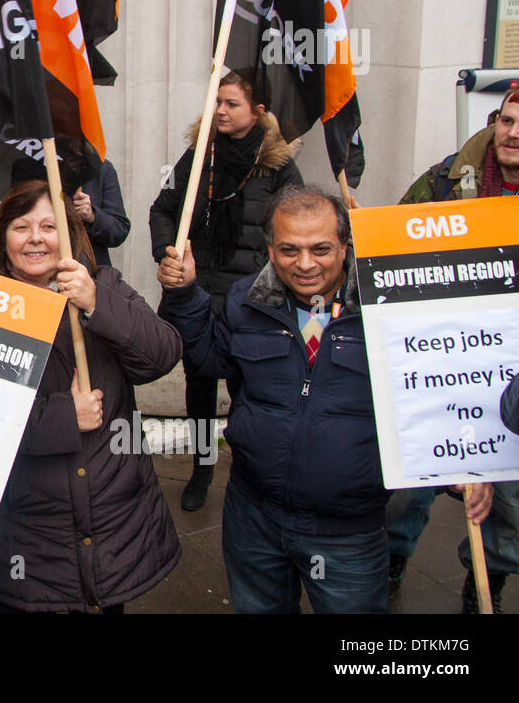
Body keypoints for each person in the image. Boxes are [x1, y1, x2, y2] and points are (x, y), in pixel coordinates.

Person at [157, 186, 493, 613]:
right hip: (253, 519)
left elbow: (436, 390)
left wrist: (461, 462)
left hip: (348, 532)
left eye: (321, 249)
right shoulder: (247, 300)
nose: (305, 264)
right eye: (289, 250)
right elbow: (207, 361)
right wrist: (186, 294)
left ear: (345, 245)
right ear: (270, 248)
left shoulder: (389, 307)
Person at [0, 180, 181, 613]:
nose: (35, 237)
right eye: (21, 226)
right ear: (1, 239)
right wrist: (64, 417)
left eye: (50, 226)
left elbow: (161, 355)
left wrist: (96, 304)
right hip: (29, 542)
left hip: (113, 534)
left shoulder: (104, 284)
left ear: (70, 234)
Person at [389, 82, 519, 611]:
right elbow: (396, 240)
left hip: (508, 369)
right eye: (509, 120)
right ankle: (393, 561)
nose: (514, 134)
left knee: (505, 495)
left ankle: (487, 581)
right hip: (440, 356)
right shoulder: (447, 180)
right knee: (409, 484)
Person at [149, 73, 303, 512]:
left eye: (231, 103)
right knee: (198, 385)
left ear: (257, 112)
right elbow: (163, 209)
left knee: (248, 388)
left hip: (253, 300)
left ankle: (250, 473)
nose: (220, 111)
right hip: (197, 291)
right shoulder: (200, 156)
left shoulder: (278, 165)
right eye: (216, 101)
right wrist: (170, 253)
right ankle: (201, 468)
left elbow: (294, 230)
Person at [70, 139, 130, 269]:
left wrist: (92, 216)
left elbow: (119, 230)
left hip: (89, 270)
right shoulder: (28, 165)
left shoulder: (102, 169)